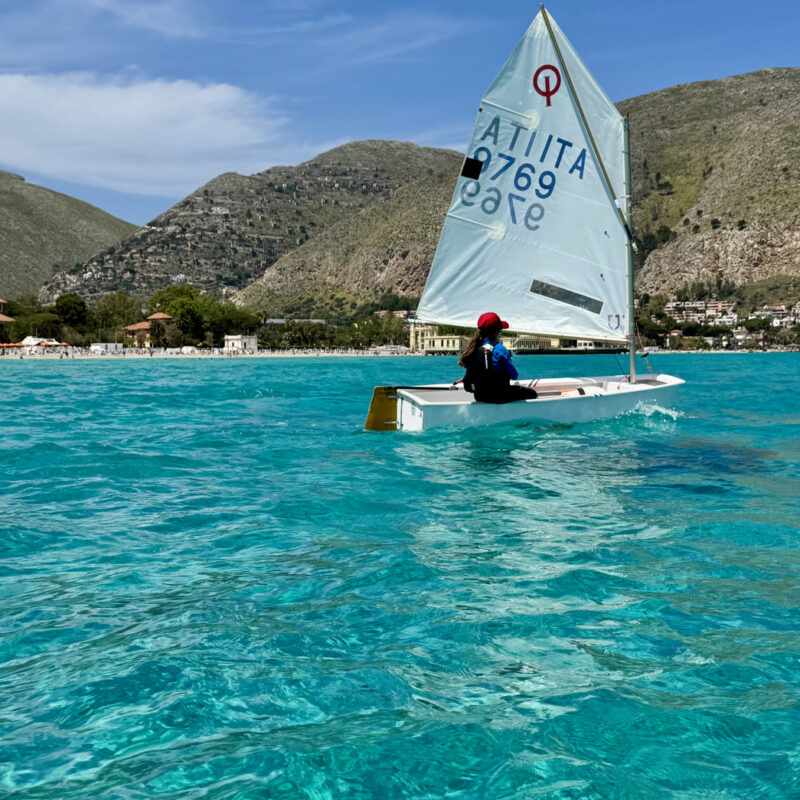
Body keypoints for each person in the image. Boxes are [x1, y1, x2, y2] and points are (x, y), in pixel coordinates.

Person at [458, 312, 538, 403]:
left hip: (480, 397)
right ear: (498, 332)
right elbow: (514, 375)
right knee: (532, 393)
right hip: (500, 397)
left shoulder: (474, 349)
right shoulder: (500, 349)